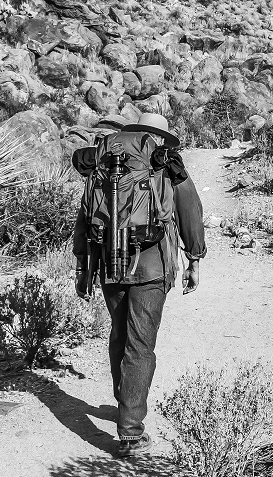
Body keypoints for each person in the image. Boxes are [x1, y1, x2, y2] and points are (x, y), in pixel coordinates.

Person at [72, 112, 206, 458]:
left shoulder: (107, 161)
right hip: (151, 264)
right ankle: (131, 432)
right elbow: (190, 211)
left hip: (109, 260)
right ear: (160, 136)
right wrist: (194, 258)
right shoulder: (165, 163)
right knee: (140, 344)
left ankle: (126, 402)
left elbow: (85, 215)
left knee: (120, 334)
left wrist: (84, 267)